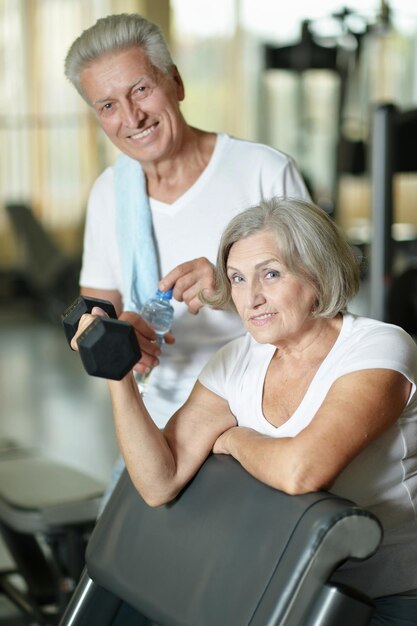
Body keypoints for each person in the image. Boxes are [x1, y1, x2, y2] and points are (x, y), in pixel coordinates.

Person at [73, 198, 417, 626]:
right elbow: (158, 482)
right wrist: (117, 374)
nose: (250, 298)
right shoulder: (234, 361)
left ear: (317, 272)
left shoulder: (377, 347)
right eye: (237, 278)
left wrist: (233, 439)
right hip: (285, 587)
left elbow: (302, 472)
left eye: (270, 274)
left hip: (389, 595)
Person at [64, 13, 310, 433]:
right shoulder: (109, 193)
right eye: (108, 106)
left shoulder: (263, 172)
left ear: (176, 83)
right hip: (161, 418)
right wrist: (121, 336)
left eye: (140, 89)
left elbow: (326, 305)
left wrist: (230, 287)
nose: (131, 117)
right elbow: (90, 319)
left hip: (266, 412)